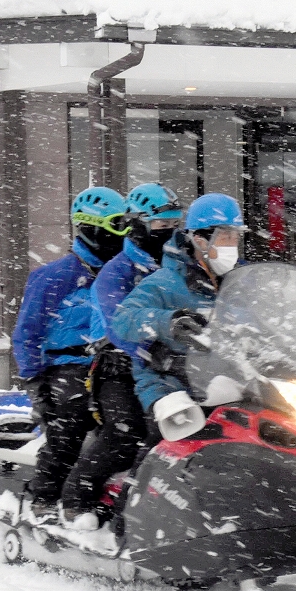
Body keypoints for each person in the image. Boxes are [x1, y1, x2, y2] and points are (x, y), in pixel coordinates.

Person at [57, 183, 182, 530]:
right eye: (160, 225)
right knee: (126, 431)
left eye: (175, 222)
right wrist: (151, 350)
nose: (169, 231)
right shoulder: (117, 271)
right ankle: (77, 499)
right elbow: (117, 325)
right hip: (119, 363)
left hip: (175, 362)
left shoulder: (178, 263)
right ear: (138, 224)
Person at [11, 186, 128, 519]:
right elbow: (27, 333)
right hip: (69, 366)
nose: (123, 235)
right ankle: (45, 496)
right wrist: (35, 381)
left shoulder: (122, 274)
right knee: (73, 416)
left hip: (115, 362)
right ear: (91, 227)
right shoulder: (55, 277)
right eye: (116, 225)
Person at [110, 192, 244, 444]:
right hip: (170, 383)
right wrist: (168, 321)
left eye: (235, 237)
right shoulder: (165, 282)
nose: (232, 245)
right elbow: (123, 320)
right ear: (200, 240)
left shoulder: (238, 281)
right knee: (166, 450)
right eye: (225, 237)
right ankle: (137, 482)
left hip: (224, 381)